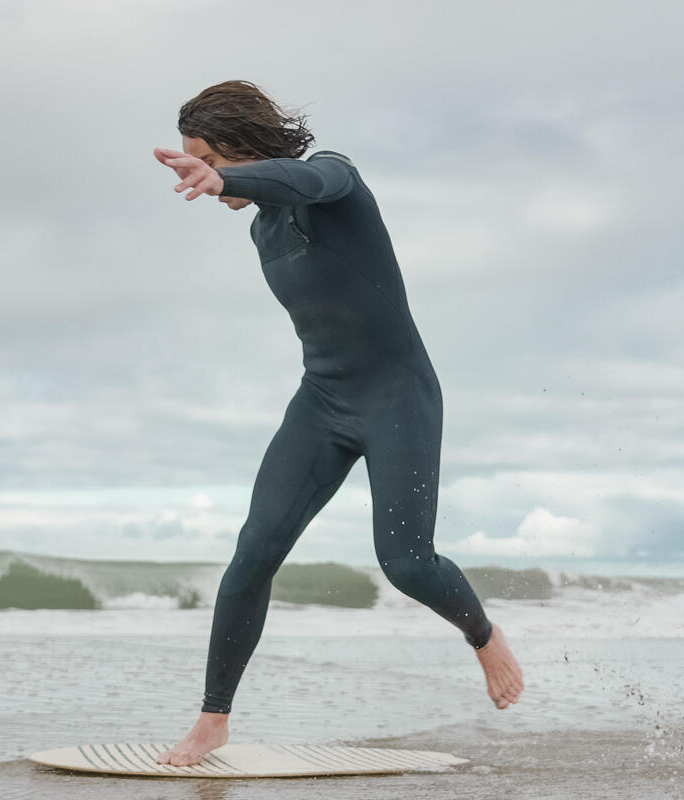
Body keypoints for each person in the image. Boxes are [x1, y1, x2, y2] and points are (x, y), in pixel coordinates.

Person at [152, 80, 524, 767]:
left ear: (237, 149)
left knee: (407, 563)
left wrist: (229, 176)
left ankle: (483, 635)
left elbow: (305, 177)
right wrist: (233, 181)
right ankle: (212, 720)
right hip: (321, 401)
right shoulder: (262, 227)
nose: (202, 176)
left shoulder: (336, 179)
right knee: (252, 554)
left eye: (203, 158)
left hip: (397, 396)